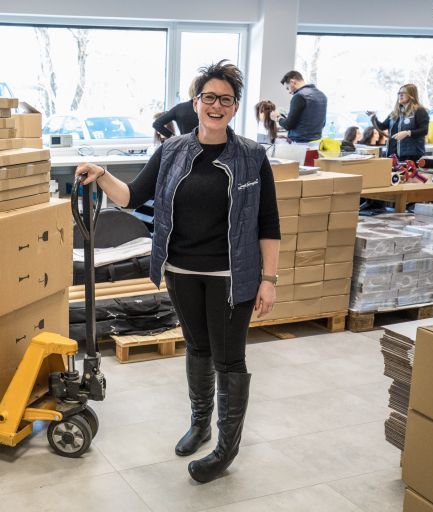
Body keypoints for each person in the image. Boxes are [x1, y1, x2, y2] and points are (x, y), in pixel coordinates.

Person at [75, 60, 280, 484]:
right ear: (196, 102)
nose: (217, 106)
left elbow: (268, 223)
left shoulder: (252, 157)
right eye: (210, 97)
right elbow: (132, 196)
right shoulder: (172, 151)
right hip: (181, 270)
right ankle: (200, 424)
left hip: (232, 276)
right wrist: (102, 174)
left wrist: (269, 279)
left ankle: (225, 449)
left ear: (235, 106)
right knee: (197, 347)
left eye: (226, 99)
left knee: (229, 359)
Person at [366, 84, 430, 162]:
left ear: (411, 95)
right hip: (392, 155)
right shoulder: (395, 113)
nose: (400, 95)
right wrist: (373, 117)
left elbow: (424, 130)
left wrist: (407, 133)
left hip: (411, 156)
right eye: (399, 93)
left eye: (403, 93)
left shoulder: (419, 111)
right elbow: (382, 126)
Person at [270, 70, 328, 143]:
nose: (289, 92)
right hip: (316, 143)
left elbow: (288, 125)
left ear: (292, 82)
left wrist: (277, 117)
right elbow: (323, 123)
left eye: (287, 88)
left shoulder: (299, 96)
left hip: (300, 143)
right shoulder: (322, 95)